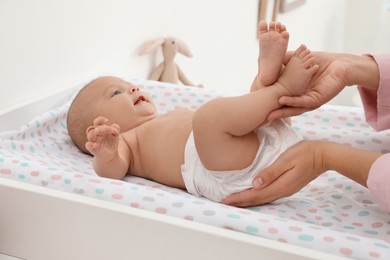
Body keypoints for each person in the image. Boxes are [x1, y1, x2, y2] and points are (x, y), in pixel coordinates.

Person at [66, 21, 319, 202]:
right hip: (220, 171)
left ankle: (266, 80)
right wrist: (105, 152)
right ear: (96, 130)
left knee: (239, 106)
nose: (132, 89)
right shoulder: (125, 143)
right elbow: (111, 170)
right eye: (117, 93)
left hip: (253, 141)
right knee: (207, 119)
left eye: (131, 85)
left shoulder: (164, 117)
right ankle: (281, 87)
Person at [222, 51, 390, 212]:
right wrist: (349, 67)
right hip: (261, 156)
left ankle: (274, 85)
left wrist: (320, 157)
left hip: (242, 166)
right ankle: (272, 84)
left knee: (262, 121)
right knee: (270, 121)